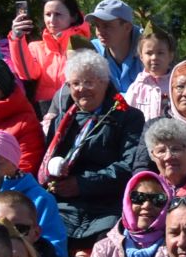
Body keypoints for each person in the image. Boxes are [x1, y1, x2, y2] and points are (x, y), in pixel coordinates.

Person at [40, 49, 146, 246]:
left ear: (104, 82)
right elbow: (46, 164)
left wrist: (81, 184)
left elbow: (129, 165)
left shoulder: (128, 118)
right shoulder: (61, 123)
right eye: (75, 83)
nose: (82, 89)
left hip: (106, 207)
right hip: (64, 207)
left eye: (89, 82)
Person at [7, 0, 90, 110]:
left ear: (73, 17)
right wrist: (17, 39)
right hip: (43, 110)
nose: (52, 20)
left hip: (75, 109)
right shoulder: (36, 47)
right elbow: (27, 74)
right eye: (48, 14)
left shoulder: (82, 45)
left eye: (58, 14)